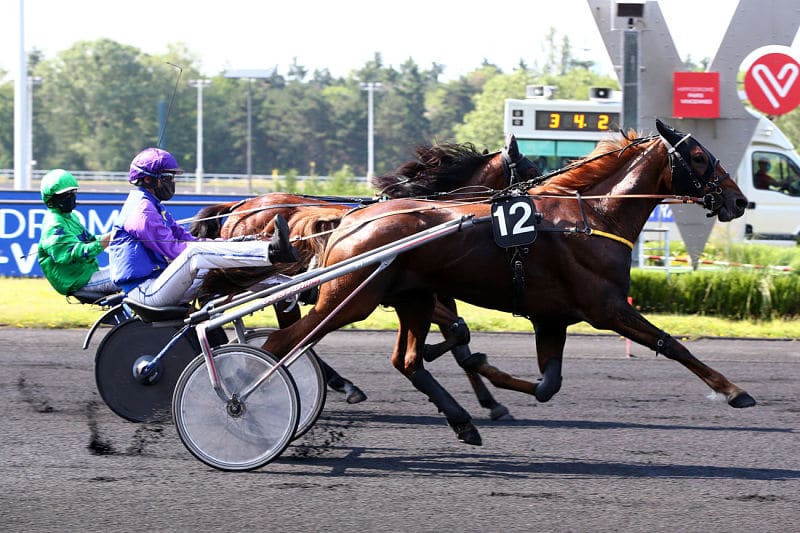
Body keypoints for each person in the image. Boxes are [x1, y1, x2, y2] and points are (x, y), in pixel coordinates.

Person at [108, 147, 299, 308]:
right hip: (145, 292)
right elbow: (176, 251)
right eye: (167, 178)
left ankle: (291, 289)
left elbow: (187, 239)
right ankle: (271, 251)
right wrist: (218, 250)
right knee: (195, 255)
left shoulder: (153, 205)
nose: (172, 183)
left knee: (222, 268)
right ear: (148, 179)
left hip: (159, 282)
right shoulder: (142, 211)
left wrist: (230, 244)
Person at [37, 169, 119, 299]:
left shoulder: (70, 217)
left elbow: (91, 240)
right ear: (51, 199)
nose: (70, 197)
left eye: (72, 193)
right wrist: (110, 238)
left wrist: (116, 236)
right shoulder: (54, 225)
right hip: (78, 282)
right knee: (134, 274)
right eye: (65, 195)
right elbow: (79, 253)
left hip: (87, 274)